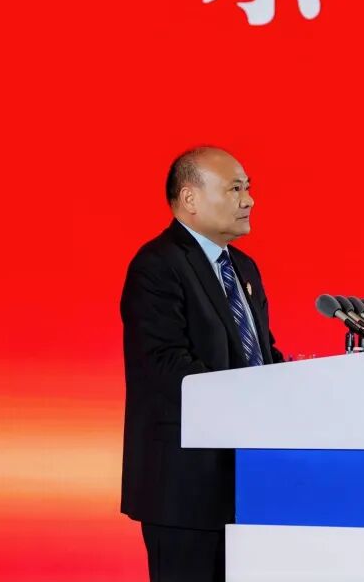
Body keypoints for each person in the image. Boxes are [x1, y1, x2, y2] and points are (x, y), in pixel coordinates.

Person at [120, 146, 284, 581]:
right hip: (185, 488)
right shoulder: (157, 265)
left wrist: (294, 386)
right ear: (190, 198)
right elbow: (167, 366)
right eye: (235, 189)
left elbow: (262, 354)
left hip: (248, 481)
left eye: (248, 188)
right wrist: (250, 403)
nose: (249, 200)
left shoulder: (243, 268)